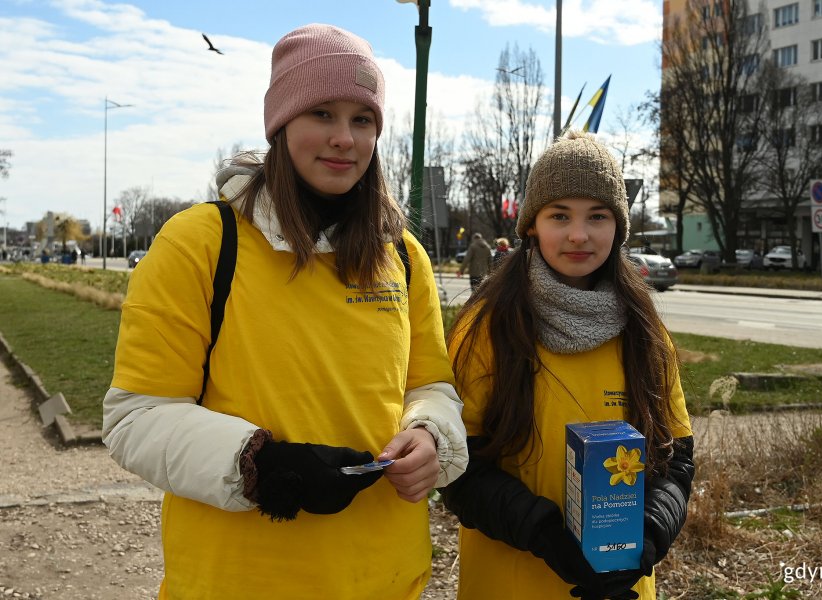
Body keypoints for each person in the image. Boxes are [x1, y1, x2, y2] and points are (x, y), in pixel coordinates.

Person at [102, 24, 467, 599]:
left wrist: (431, 433)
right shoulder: (201, 242)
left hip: (386, 576)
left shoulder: (401, 254)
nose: (344, 138)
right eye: (322, 113)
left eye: (362, 119)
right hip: (240, 579)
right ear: (281, 124)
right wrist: (261, 467)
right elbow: (137, 416)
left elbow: (430, 385)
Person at [441, 130, 694, 600]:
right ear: (532, 225)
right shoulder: (486, 326)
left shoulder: (645, 330)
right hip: (510, 585)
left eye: (597, 216)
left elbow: (676, 456)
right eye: (560, 216)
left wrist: (648, 536)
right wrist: (545, 535)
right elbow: (457, 466)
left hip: (623, 587)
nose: (579, 235)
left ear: (618, 226)